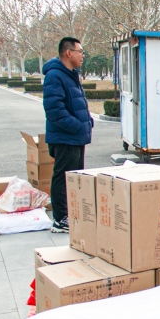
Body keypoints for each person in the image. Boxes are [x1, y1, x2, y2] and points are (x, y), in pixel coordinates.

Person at [42, 37, 94, 233]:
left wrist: (87, 122)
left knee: (74, 178)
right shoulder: (55, 75)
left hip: (76, 136)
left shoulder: (71, 74)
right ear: (69, 53)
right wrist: (78, 125)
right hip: (65, 137)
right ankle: (60, 219)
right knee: (63, 178)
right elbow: (54, 110)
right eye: (80, 51)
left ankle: (70, 214)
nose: (83, 55)